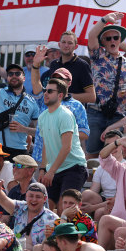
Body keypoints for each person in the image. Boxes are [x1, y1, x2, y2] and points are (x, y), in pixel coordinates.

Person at [86, 12, 126, 157]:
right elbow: (91, 36)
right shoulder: (98, 56)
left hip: (118, 114)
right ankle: (92, 178)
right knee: (92, 152)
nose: (112, 41)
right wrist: (104, 20)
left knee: (115, 152)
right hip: (96, 111)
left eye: (116, 38)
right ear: (103, 42)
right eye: (108, 38)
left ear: (120, 40)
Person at [38, 79, 88, 209]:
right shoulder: (42, 117)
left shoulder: (65, 114)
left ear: (60, 95)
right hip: (54, 169)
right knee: (47, 207)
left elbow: (67, 147)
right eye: (44, 90)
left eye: (49, 91)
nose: (45, 93)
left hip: (74, 167)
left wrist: (51, 171)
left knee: (64, 208)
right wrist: (43, 169)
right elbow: (46, 145)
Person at [0, 181, 58, 247]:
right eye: (31, 196)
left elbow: (55, 247)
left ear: (45, 199)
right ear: (26, 196)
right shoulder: (21, 207)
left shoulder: (53, 219)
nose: (34, 199)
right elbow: (4, 201)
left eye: (38, 197)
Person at [44, 31, 95, 103]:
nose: (66, 45)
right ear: (59, 44)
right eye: (63, 42)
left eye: (70, 43)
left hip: (74, 112)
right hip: (55, 110)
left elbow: (92, 97)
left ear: (76, 46)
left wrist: (66, 96)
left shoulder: (82, 65)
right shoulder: (54, 64)